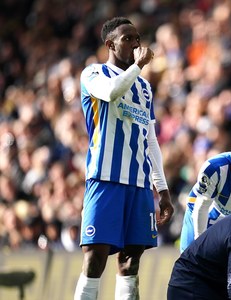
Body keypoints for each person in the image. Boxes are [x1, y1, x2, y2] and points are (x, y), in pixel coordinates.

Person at [74, 17, 174, 300]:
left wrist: (162, 189)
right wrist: (138, 66)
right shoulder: (93, 74)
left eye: (137, 38)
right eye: (127, 39)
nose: (135, 44)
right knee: (95, 257)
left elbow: (150, 138)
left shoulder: (144, 88)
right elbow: (112, 91)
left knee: (131, 260)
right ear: (110, 44)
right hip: (105, 179)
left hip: (140, 185)